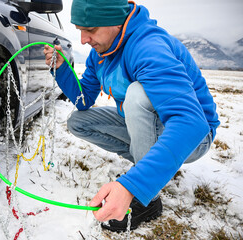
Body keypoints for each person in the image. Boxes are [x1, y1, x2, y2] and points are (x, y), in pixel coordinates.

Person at [43, 0, 220, 232]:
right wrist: (61, 68)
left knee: (136, 94)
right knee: (78, 122)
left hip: (194, 136)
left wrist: (132, 185)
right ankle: (151, 163)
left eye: (90, 30)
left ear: (114, 22)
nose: (84, 40)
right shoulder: (100, 54)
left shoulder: (148, 46)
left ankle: (148, 199)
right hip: (145, 123)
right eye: (80, 31)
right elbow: (83, 100)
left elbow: (190, 123)